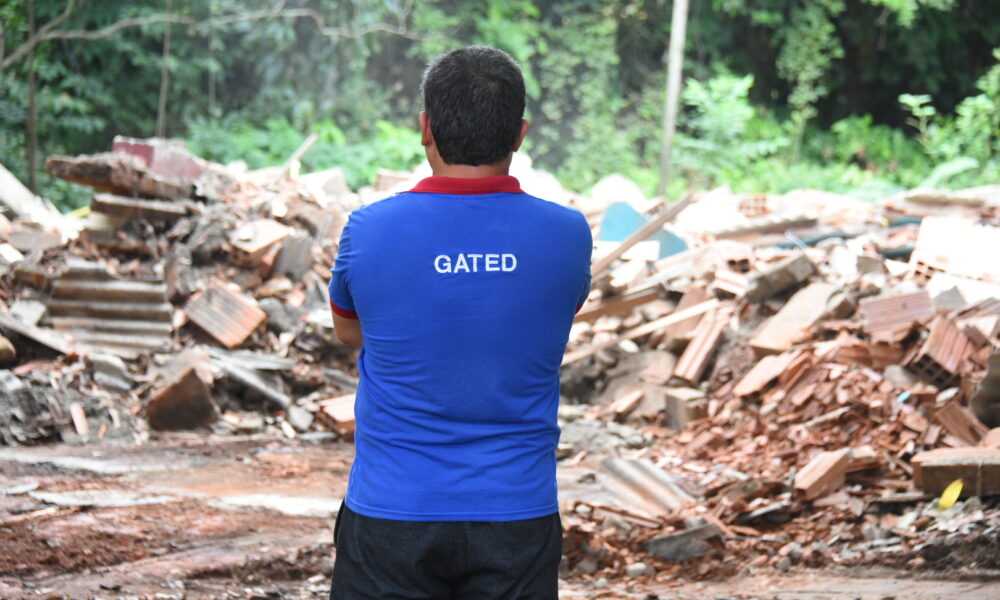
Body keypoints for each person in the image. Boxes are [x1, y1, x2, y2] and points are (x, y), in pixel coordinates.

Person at [327, 46, 592, 599]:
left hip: (391, 513)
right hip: (517, 515)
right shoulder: (567, 235)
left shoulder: (369, 230)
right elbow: (543, 320)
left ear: (425, 128)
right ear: (519, 135)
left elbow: (350, 331)